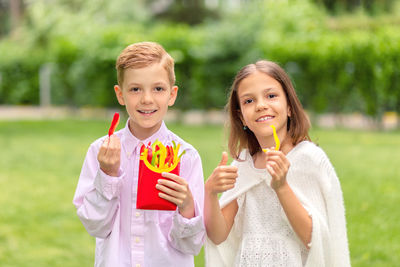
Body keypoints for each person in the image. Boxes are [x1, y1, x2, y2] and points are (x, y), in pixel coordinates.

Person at [204, 60, 350, 266]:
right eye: (248, 101)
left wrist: (281, 187)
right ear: (242, 118)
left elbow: (313, 239)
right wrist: (210, 192)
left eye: (271, 96)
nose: (261, 105)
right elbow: (218, 235)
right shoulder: (244, 166)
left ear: (289, 106)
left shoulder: (307, 159)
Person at [73, 42, 205, 267]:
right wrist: (108, 174)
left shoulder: (186, 156)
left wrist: (186, 206)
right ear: (120, 94)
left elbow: (191, 245)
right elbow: (95, 226)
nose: (146, 99)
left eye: (158, 89)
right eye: (135, 89)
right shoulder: (100, 152)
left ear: (172, 95)